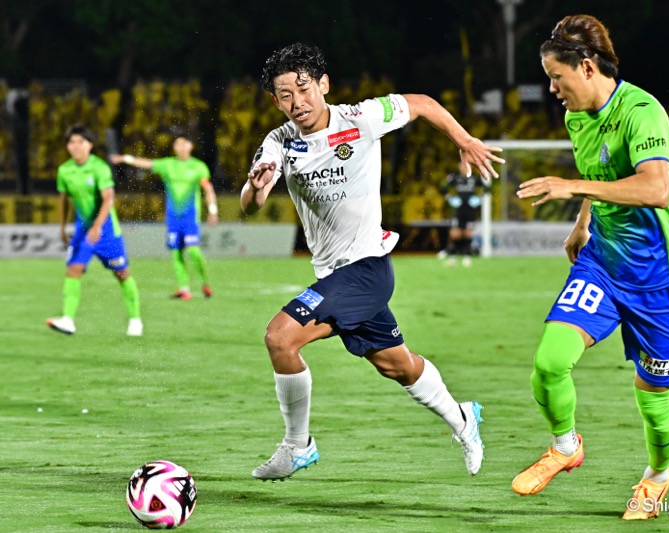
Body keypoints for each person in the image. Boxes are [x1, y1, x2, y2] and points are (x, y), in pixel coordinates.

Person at [241, 42, 504, 480]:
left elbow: (421, 104)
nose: (296, 102)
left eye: (303, 89)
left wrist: (464, 139)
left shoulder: (359, 118)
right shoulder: (279, 142)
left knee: (280, 338)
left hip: (366, 269)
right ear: (274, 101)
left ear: (323, 85)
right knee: (396, 364)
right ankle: (463, 419)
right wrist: (256, 185)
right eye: (285, 95)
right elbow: (252, 203)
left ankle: (297, 445)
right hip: (336, 275)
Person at [510, 15, 669, 520]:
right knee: (550, 364)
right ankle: (566, 446)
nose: (552, 89)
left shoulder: (642, 112)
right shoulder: (577, 117)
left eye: (557, 77)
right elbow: (600, 175)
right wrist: (582, 222)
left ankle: (656, 478)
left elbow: (656, 189)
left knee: (656, 403)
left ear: (587, 67)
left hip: (661, 278)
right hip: (604, 263)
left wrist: (572, 188)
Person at [47, 125, 143, 337]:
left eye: (81, 142)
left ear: (90, 145)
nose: (76, 146)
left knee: (122, 273)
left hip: (107, 231)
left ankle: (135, 319)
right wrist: (62, 226)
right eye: (72, 142)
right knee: (73, 270)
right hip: (83, 232)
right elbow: (63, 200)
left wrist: (98, 226)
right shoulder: (64, 171)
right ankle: (68, 320)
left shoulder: (99, 167)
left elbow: (109, 198)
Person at [111, 131, 217, 300]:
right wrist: (126, 159)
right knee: (176, 253)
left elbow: (208, 189)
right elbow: (146, 163)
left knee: (194, 251)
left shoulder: (198, 167)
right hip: (173, 218)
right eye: (177, 144)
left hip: (190, 218)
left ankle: (205, 283)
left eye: (184, 143)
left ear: (191, 146)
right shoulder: (168, 164)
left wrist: (212, 210)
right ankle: (184, 289)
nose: (180, 147)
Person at [438, 163, 485, 267]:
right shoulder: (454, 178)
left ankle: (467, 257)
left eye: (466, 166)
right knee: (456, 233)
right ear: (459, 167)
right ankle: (452, 257)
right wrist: (449, 198)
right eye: (462, 166)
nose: (464, 168)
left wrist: (479, 198)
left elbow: (486, 188)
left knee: (468, 233)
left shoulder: (475, 179)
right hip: (458, 209)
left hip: (470, 209)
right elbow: (443, 188)